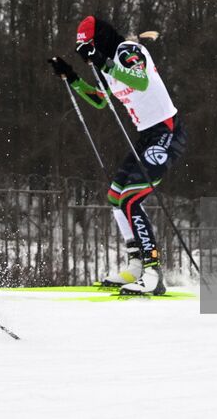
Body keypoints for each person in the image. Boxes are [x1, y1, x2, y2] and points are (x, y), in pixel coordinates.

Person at [48, 17, 185, 296]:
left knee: (132, 198)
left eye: (88, 47)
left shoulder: (126, 51)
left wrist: (99, 59)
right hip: (146, 136)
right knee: (116, 195)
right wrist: (72, 77)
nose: (85, 54)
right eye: (81, 51)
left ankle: (153, 272)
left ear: (99, 40)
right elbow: (100, 99)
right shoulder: (106, 65)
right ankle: (136, 264)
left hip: (166, 131)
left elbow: (141, 81)